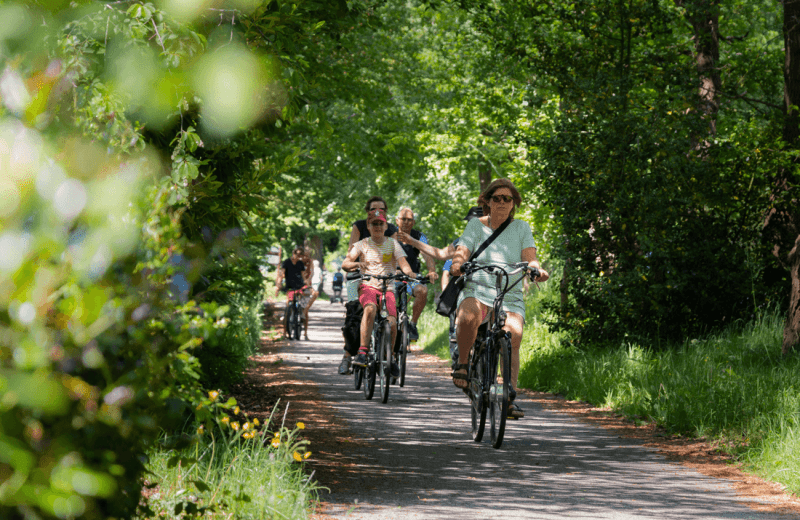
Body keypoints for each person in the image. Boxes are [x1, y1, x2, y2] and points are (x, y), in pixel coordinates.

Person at [449, 179, 549, 419]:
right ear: (487, 201)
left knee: (514, 334)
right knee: (468, 315)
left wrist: (537, 269)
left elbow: (530, 258)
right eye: (497, 198)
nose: (502, 202)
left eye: (508, 198)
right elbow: (462, 252)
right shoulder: (475, 226)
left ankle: (508, 395)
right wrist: (457, 264)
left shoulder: (521, 228)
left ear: (513, 203)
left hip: (509, 292)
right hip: (479, 287)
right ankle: (463, 363)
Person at [341, 208, 417, 374]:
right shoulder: (362, 244)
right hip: (368, 286)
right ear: (369, 226)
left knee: (392, 321)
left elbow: (403, 263)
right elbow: (345, 263)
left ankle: (390, 357)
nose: (377, 226)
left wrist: (410, 273)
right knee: (370, 308)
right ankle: (362, 352)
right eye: (374, 224)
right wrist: (356, 265)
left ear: (385, 226)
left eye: (380, 223)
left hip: (387, 288)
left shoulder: (392, 243)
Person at [338, 196, 399, 375]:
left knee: (398, 312)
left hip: (385, 277)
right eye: (373, 209)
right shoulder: (359, 226)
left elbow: (395, 255)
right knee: (354, 312)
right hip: (359, 273)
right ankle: (349, 354)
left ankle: (391, 353)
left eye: (382, 209)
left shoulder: (392, 229)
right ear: (367, 211)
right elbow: (351, 252)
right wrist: (360, 265)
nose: (377, 212)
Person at [393, 207, 438, 340]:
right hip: (390, 277)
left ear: (413, 222)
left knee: (422, 290)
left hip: (411, 277)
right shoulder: (389, 234)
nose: (406, 222)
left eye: (409, 220)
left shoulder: (419, 237)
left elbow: (428, 255)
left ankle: (413, 324)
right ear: (397, 221)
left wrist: (432, 271)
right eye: (403, 219)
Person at [274, 247, 307, 337]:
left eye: (301, 255)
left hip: (299, 286)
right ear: (294, 253)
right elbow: (282, 274)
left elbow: (303, 275)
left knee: (301, 306)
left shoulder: (300, 263)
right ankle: (285, 331)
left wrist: (306, 284)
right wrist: (279, 284)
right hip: (289, 286)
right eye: (298, 254)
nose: (299, 257)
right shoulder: (287, 262)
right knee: (288, 305)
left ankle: (300, 318)